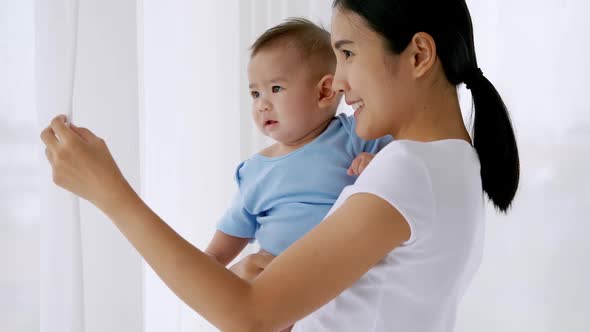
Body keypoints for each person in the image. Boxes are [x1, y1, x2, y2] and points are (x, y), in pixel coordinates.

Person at [40, 0, 520, 331]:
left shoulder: (410, 168)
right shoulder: (453, 162)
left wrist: (109, 192)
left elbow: (249, 316)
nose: (338, 79)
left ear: (418, 55)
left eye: (348, 53)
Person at [204, 18, 392, 265]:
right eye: (255, 93)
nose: (262, 104)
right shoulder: (254, 173)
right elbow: (216, 255)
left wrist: (379, 165)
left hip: (341, 282)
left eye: (276, 88)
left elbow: (410, 162)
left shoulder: (355, 135)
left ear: (324, 91)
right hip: (276, 285)